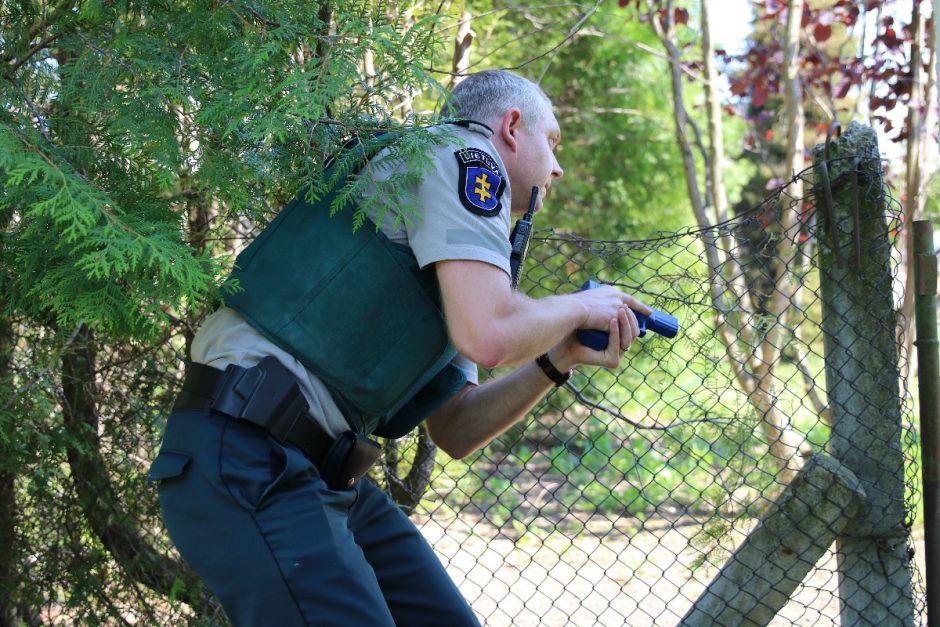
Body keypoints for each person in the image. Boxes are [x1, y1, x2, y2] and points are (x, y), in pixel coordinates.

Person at [147, 69, 650, 626]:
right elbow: (490, 335)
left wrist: (558, 358)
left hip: (313, 468)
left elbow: (455, 428)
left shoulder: (451, 240)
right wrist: (583, 307)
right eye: (551, 143)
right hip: (248, 450)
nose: (557, 168)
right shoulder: (466, 156)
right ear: (511, 126)